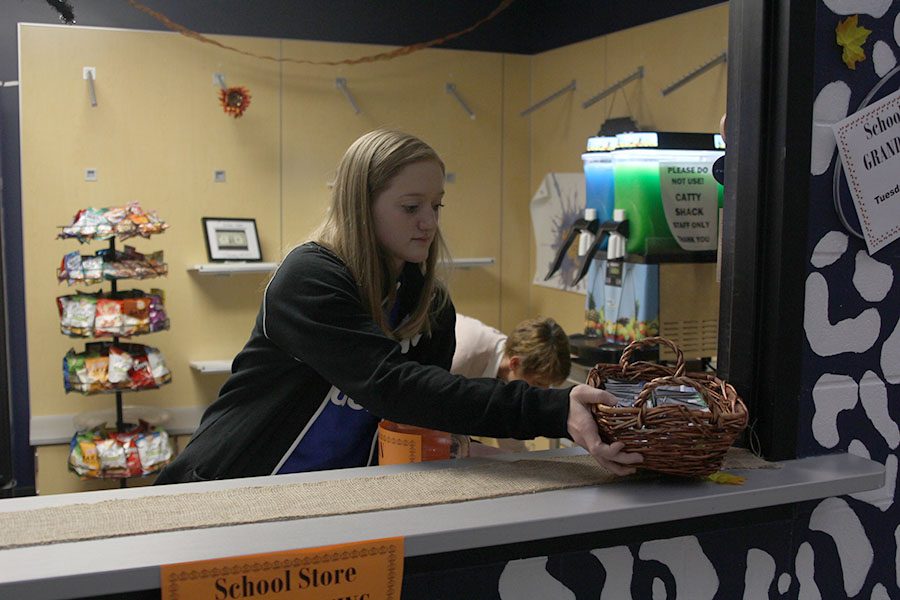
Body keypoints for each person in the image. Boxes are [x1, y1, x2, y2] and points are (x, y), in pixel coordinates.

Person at [155, 129, 642, 484]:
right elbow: (393, 386)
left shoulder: (430, 305)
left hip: (333, 495)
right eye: (411, 207)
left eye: (437, 205)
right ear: (360, 204)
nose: (429, 222)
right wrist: (553, 410)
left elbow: (428, 409)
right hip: (232, 485)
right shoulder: (309, 278)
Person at [452, 314, 572, 451]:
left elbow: (510, 435)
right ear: (515, 363)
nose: (541, 393)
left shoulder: (511, 363)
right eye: (538, 383)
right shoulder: (462, 355)